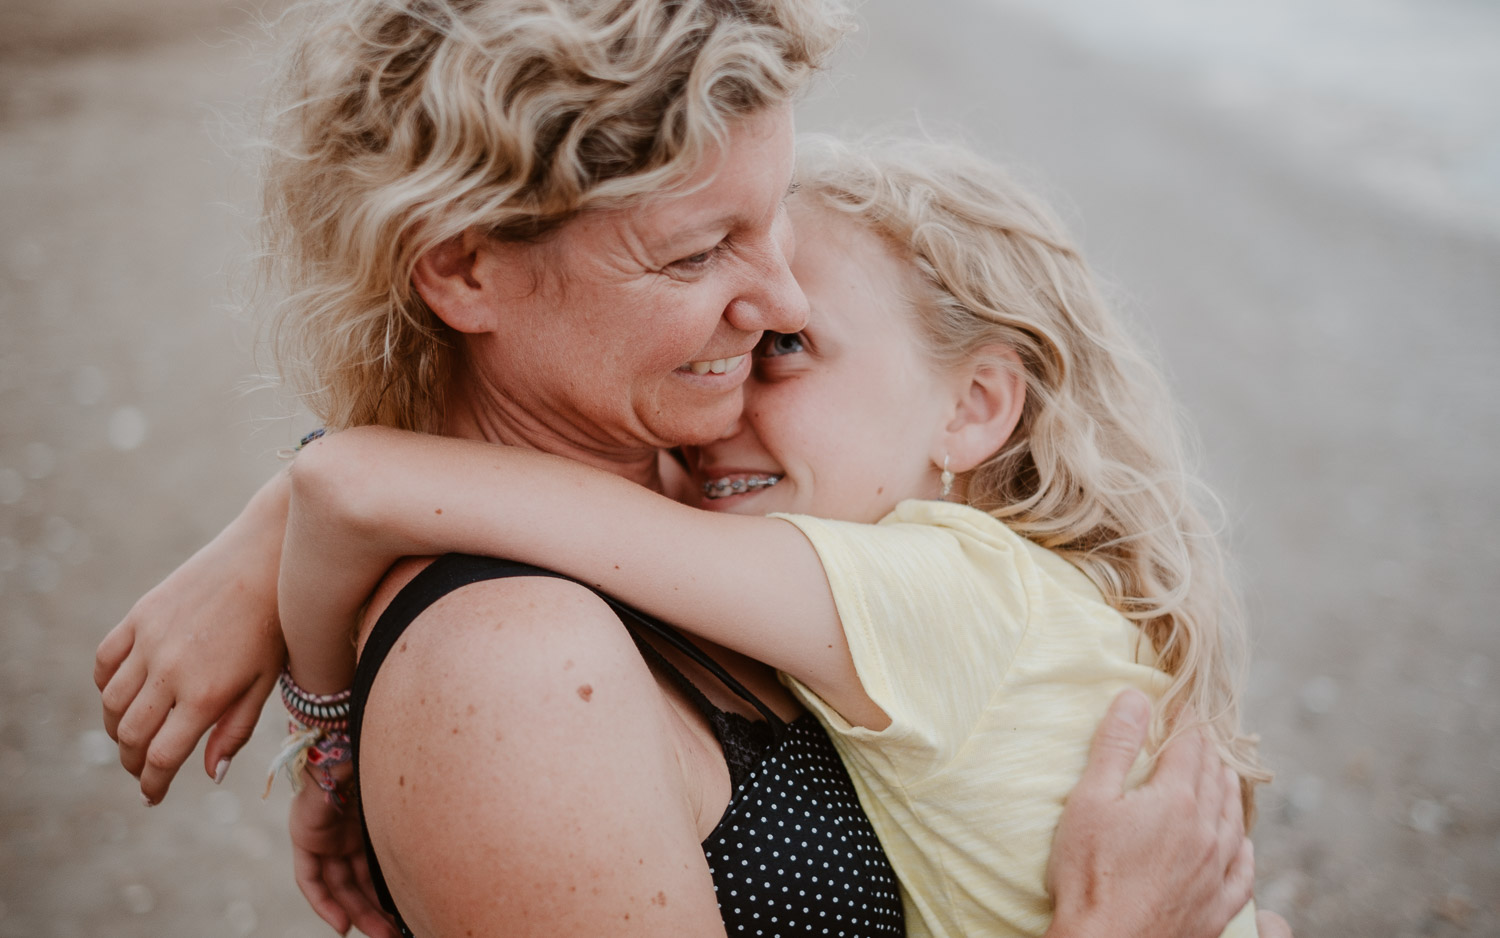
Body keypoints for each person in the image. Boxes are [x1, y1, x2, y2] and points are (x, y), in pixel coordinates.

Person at [90, 1, 1286, 936]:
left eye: (769, 218)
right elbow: (363, 486)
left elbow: (380, 479)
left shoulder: (702, 465)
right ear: (461, 269)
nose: (778, 297)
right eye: (700, 250)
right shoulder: (513, 669)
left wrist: (313, 652)